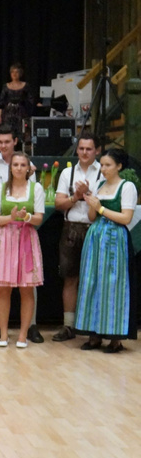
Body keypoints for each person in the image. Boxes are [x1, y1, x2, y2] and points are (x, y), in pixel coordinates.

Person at [0, 125, 43, 343]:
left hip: (25, 236)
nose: (3, 145)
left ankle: (28, 329)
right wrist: (11, 216)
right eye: (0, 142)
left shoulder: (34, 186)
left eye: (7, 141)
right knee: (1, 283)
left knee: (27, 285)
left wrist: (26, 217)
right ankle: (2, 329)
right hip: (3, 235)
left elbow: (38, 214)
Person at [75, 145, 137, 352]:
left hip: (115, 239)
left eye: (108, 165)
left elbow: (126, 218)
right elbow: (92, 217)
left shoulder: (127, 187)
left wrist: (100, 207)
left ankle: (115, 338)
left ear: (119, 166)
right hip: (96, 238)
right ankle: (94, 334)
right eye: (101, 165)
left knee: (113, 283)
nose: (103, 169)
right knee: (92, 281)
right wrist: (91, 205)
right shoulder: (99, 185)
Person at [52, 131, 101, 341]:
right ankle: (68, 326)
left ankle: (94, 327)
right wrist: (76, 197)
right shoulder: (67, 173)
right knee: (70, 278)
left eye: (89, 149)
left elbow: (106, 203)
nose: (84, 152)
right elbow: (58, 204)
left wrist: (88, 195)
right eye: (81, 148)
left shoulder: (103, 172)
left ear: (97, 150)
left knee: (95, 279)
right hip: (71, 228)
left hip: (96, 228)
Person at [0, 62, 35, 140]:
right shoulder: (6, 86)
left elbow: (31, 100)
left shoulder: (25, 85)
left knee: (22, 133)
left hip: (21, 113)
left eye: (16, 72)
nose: (14, 74)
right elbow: (1, 103)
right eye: (12, 72)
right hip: (8, 114)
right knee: (8, 133)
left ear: (20, 73)